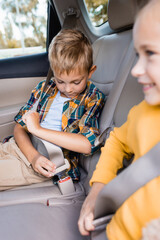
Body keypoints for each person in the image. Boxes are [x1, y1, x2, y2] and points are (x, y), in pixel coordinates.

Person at [78, 0, 160, 239]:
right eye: (138, 55)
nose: (136, 69)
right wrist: (98, 190)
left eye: (151, 54)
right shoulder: (142, 113)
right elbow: (116, 141)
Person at [0, 29, 105, 191]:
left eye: (76, 82)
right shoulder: (44, 88)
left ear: (90, 72)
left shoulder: (92, 97)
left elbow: (87, 144)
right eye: (60, 81)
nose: (68, 89)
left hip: (45, 163)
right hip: (19, 148)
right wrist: (33, 156)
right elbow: (19, 128)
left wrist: (38, 130)